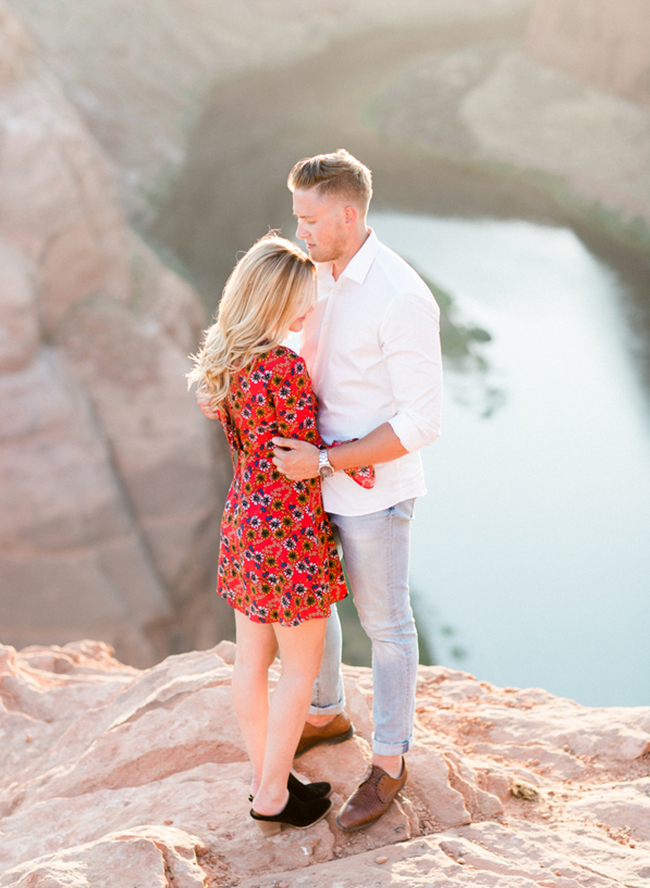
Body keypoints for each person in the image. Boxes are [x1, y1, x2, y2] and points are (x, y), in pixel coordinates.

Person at [271, 149, 443, 831]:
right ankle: (326, 712)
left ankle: (392, 761)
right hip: (309, 476)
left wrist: (328, 460)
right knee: (314, 605)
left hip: (370, 488)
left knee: (387, 627)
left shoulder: (400, 296)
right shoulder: (313, 271)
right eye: (296, 218)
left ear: (348, 214)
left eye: (310, 219)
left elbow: (422, 422)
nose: (300, 230)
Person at [188, 234, 353, 837]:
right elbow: (305, 454)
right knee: (299, 672)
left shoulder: (227, 364)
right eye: (302, 301)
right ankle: (270, 795)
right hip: (288, 534)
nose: (308, 310)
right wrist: (354, 456)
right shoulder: (283, 368)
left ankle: (269, 781)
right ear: (276, 298)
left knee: (250, 663)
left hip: (245, 524)